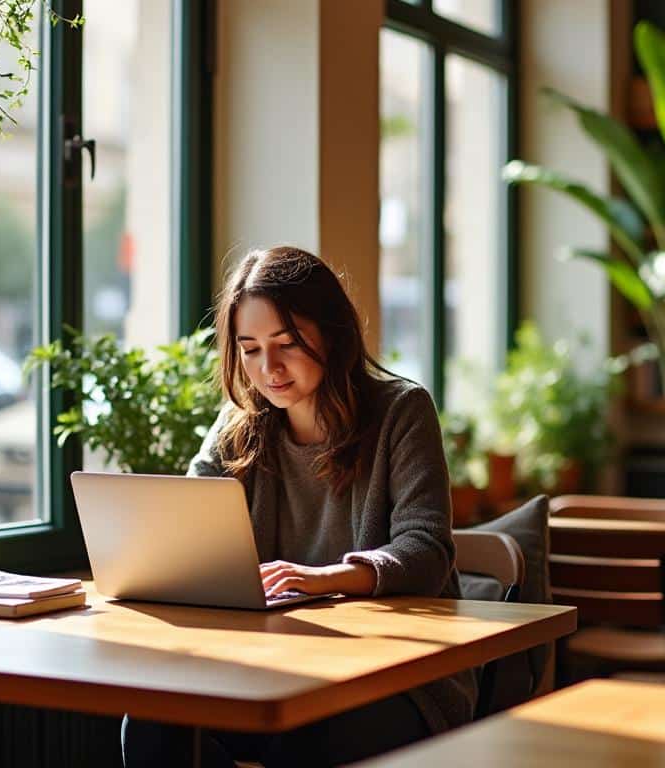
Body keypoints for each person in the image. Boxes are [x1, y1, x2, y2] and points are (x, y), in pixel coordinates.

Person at [121, 246, 475, 767]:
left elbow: (426, 551)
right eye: (250, 349)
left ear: (332, 333)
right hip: (271, 666)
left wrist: (324, 577)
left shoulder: (401, 410)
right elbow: (190, 522)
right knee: (151, 724)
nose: (269, 369)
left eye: (286, 344)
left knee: (305, 737)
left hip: (401, 674)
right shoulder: (240, 425)